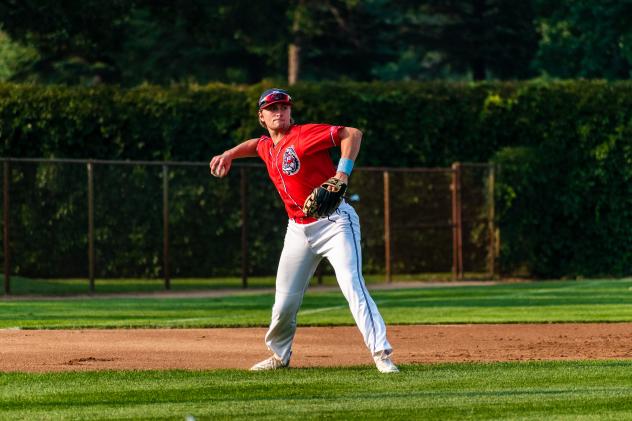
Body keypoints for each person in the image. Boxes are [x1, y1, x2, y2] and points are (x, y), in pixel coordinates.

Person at [209, 88, 398, 373]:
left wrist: (341, 173)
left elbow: (352, 134)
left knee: (352, 285)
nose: (279, 112)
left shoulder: (303, 135)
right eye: (272, 108)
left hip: (335, 223)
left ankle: (382, 355)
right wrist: (229, 154)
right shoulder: (267, 146)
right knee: (284, 300)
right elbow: (254, 145)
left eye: (284, 107)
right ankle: (279, 356)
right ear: (261, 116)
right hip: (298, 230)